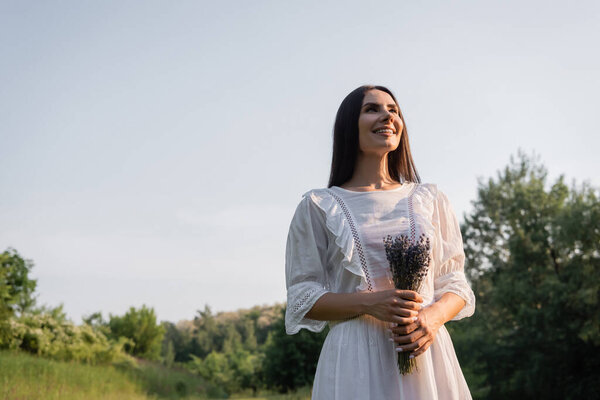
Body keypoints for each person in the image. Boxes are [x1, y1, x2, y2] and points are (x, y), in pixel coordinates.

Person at [284, 85, 476, 399]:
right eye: (372, 109)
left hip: (425, 355)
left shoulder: (430, 200)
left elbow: (455, 283)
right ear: (349, 125)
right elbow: (302, 298)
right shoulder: (318, 206)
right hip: (355, 362)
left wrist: (432, 318)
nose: (387, 115)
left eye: (394, 110)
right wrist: (370, 303)